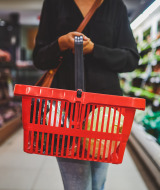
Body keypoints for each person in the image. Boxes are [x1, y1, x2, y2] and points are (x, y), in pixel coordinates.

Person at [33, 0, 139, 189]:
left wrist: (94, 50)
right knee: (76, 185)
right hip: (64, 110)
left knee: (98, 183)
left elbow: (130, 59)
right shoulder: (54, 4)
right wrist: (60, 43)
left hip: (105, 114)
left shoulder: (114, 6)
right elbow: (39, 58)